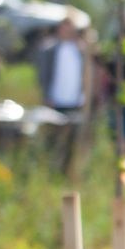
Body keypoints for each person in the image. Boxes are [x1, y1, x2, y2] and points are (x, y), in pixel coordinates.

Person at [40, 17, 86, 169]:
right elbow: (43, 74)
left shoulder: (80, 50)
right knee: (53, 137)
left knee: (72, 139)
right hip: (55, 100)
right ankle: (49, 167)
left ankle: (66, 169)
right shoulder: (50, 49)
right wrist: (47, 95)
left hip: (74, 101)